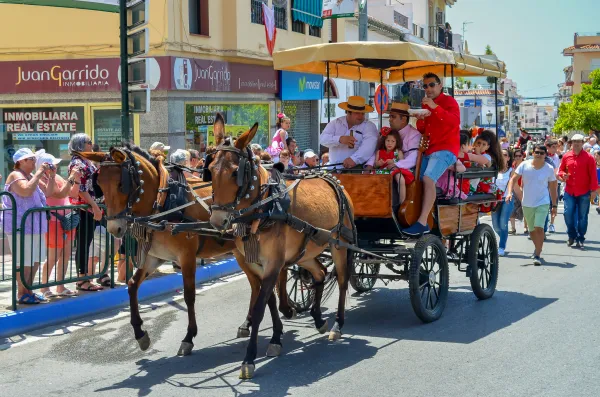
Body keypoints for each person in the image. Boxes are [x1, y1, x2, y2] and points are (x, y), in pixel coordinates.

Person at [403, 73, 460, 236]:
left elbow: (454, 122)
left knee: (428, 179)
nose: (428, 89)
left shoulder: (449, 101)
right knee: (416, 181)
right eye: (425, 86)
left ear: (440, 85)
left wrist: (435, 108)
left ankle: (422, 222)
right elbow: (423, 129)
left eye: (431, 85)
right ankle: (420, 218)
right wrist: (420, 118)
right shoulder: (425, 104)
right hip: (430, 148)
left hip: (446, 149)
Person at [1, 148, 50, 304]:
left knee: (35, 259)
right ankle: (22, 293)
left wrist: (51, 175)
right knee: (24, 260)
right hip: (20, 225)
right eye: (30, 159)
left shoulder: (30, 176)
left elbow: (47, 193)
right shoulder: (15, 175)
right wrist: (39, 172)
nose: (34, 161)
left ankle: (29, 289)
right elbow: (26, 191)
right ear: (20, 161)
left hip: (35, 224)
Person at [36, 150, 82, 298]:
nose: (54, 167)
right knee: (53, 256)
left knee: (66, 254)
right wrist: (71, 177)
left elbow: (73, 194)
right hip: (54, 221)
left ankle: (60, 286)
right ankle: (44, 287)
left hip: (67, 219)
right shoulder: (42, 180)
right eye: (51, 165)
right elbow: (60, 193)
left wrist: (77, 179)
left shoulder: (58, 177)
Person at [506, 144, 558, 266]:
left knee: (539, 227)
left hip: (543, 202)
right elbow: (513, 179)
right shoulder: (525, 165)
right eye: (537, 152)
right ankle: (537, 248)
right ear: (533, 153)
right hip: (527, 203)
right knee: (532, 230)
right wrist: (509, 193)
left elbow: (553, 188)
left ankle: (538, 253)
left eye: (541, 153)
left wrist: (554, 205)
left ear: (545, 155)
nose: (539, 155)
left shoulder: (549, 168)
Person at [68, 133, 104, 291]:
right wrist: (94, 206)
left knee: (87, 243)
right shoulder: (78, 163)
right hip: (83, 208)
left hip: (88, 207)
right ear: (81, 145)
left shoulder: (85, 161)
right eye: (89, 142)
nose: (92, 144)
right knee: (83, 244)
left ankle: (85, 277)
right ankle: (82, 279)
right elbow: (81, 190)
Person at [557, 134, 599, 248]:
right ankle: (571, 235)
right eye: (574, 141)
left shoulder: (589, 158)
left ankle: (580, 237)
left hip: (584, 192)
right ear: (571, 143)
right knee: (567, 214)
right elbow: (560, 171)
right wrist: (562, 175)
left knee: (582, 216)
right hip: (570, 190)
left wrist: (594, 190)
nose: (576, 144)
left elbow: (593, 176)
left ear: (582, 143)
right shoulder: (566, 156)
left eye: (579, 142)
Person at [320, 95, 379, 169]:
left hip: (356, 169)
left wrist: (354, 159)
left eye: (363, 113)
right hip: (333, 168)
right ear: (348, 112)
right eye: (357, 113)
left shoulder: (369, 126)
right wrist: (340, 139)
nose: (361, 116)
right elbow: (322, 139)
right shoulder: (336, 123)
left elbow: (369, 146)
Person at [491, 149, 515, 256]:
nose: (502, 156)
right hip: (494, 200)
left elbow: (512, 184)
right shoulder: (493, 170)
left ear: (508, 158)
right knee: (496, 226)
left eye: (505, 155)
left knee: (503, 223)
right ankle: (503, 238)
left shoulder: (511, 171)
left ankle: (501, 247)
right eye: (500, 154)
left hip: (507, 199)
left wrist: (510, 193)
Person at [544, 139, 561, 233]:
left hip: (555, 182)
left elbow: (557, 169)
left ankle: (552, 224)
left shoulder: (556, 157)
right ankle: (544, 225)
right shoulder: (544, 157)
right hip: (545, 184)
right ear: (548, 147)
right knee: (546, 204)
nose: (555, 149)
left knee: (554, 204)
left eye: (556, 147)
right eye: (553, 147)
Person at [509, 149, 525, 234]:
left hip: (524, 189)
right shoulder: (512, 166)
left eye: (520, 156)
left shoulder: (526, 165)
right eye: (516, 156)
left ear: (523, 156)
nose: (518, 158)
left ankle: (526, 227)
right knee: (512, 209)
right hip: (513, 189)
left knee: (525, 208)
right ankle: (513, 228)